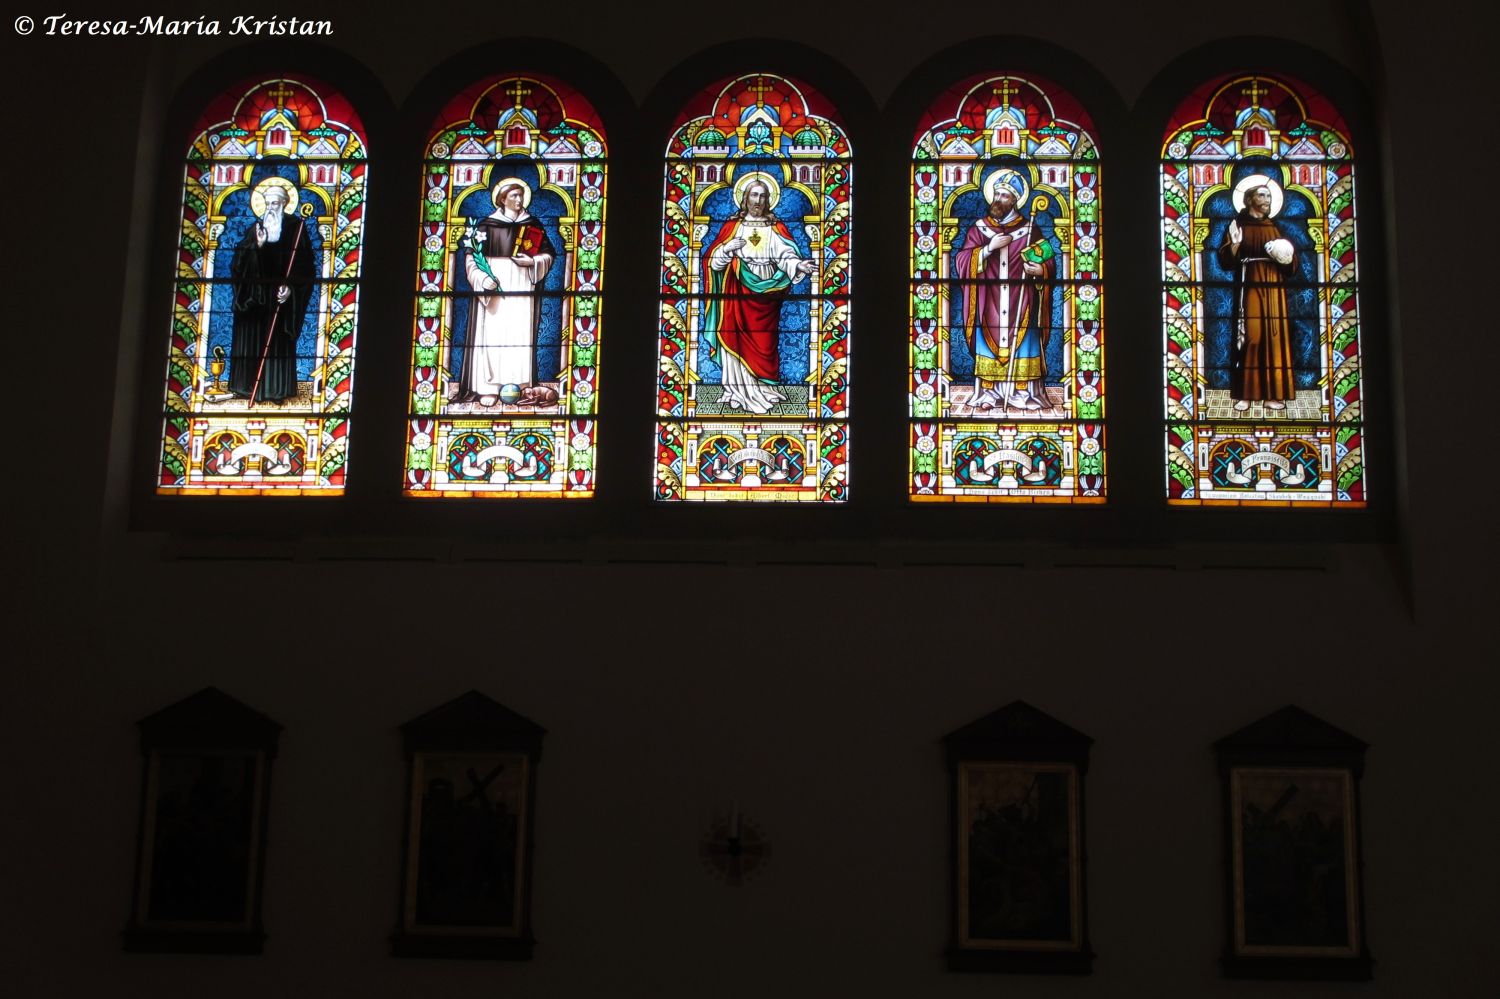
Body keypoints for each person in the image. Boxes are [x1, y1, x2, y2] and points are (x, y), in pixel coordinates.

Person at [701, 175, 816, 414]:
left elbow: (785, 253)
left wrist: (798, 265)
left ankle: (762, 388)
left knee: (764, 341)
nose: (758, 200)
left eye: (763, 196)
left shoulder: (775, 227)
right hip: (736, 288)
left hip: (767, 292)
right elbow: (712, 263)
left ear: (769, 200)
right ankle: (736, 390)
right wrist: (726, 249)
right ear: (745, 198)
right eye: (754, 195)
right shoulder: (732, 228)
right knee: (732, 336)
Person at [952, 170, 1055, 412]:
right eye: (996, 193)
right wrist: (988, 248)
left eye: (1004, 195)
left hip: (1022, 299)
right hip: (989, 301)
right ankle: (988, 392)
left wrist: (1040, 271)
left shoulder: (1030, 229)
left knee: (1025, 340)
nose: (997, 199)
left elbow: (1049, 260)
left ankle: (1022, 392)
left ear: (1015, 199)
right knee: (988, 341)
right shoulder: (979, 228)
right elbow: (962, 261)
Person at [457, 179, 556, 407]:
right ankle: (488, 388)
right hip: (494, 283)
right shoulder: (486, 225)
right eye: (514, 196)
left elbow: (548, 255)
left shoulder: (533, 224)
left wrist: (532, 261)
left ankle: (519, 386)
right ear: (502, 199)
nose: (519, 201)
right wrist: (482, 279)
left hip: (522, 285)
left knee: (519, 333)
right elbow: (471, 258)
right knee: (492, 334)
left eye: (521, 196)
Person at [227, 179, 313, 403]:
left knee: (277, 342)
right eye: (267, 203)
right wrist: (258, 246)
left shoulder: (297, 229)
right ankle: (245, 387)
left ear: (285, 204)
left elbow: (306, 267)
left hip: (279, 299)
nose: (270, 208)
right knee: (251, 338)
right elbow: (238, 264)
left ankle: (276, 391)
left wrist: (291, 289)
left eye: (275, 203)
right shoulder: (255, 229)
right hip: (255, 299)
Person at [1220, 175, 1296, 412]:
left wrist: (1285, 256)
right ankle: (1245, 394)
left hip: (1274, 286)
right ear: (1249, 199)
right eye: (1262, 195)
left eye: (1269, 196)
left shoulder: (1274, 227)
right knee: (1251, 337)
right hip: (1250, 281)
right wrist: (1233, 245)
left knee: (1275, 339)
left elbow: (1291, 263)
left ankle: (1272, 395)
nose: (1267, 199)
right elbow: (1224, 260)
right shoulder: (1237, 226)